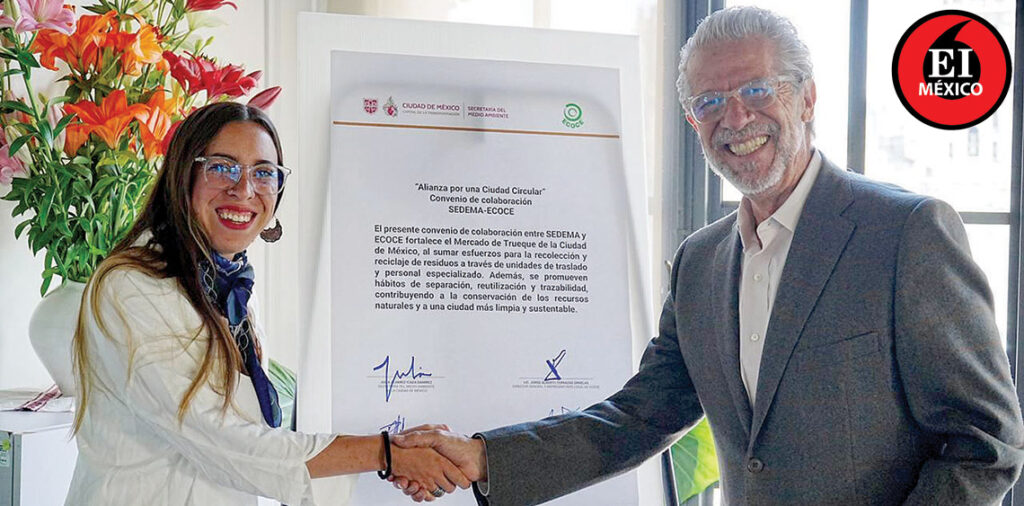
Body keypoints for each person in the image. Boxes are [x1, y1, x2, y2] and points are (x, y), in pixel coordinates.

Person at [392, 6, 1024, 505]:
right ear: (693, 120)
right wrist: (486, 457)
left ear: (806, 98)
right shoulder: (700, 261)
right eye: (709, 102)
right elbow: (640, 417)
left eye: (756, 89)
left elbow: (985, 441)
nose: (735, 117)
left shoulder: (905, 233)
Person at [67, 102, 469, 505]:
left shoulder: (232, 286)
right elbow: (222, 442)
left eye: (263, 173)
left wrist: (394, 453)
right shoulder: (131, 287)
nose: (244, 190)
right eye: (222, 167)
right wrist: (387, 453)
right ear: (183, 175)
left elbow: (255, 437)